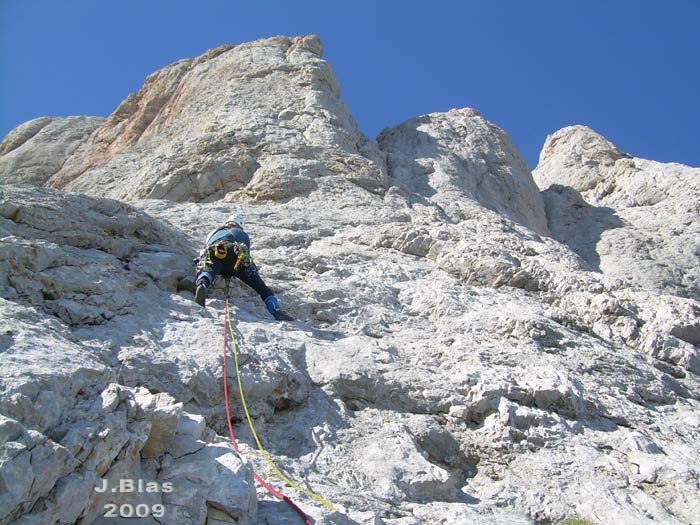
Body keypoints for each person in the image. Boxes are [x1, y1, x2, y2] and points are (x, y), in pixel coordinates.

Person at [194, 214, 294, 321]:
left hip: (216, 252)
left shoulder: (213, 233)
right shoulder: (241, 233)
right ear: (240, 225)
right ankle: (276, 310)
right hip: (236, 258)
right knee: (260, 286)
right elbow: (246, 254)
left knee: (210, 270)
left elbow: (205, 249)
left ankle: (203, 284)